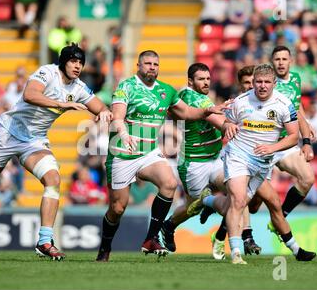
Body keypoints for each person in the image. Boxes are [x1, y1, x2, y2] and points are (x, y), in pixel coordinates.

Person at [0, 43, 113, 261]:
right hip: (7, 134)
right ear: (63, 61)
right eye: (73, 61)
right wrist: (61, 104)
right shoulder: (47, 72)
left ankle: (44, 241)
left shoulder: (78, 88)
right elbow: (30, 94)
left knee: (53, 179)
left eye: (81, 62)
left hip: (34, 141)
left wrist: (105, 113)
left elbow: (99, 106)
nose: (78, 66)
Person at [95, 50, 231, 262]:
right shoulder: (126, 87)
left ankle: (151, 238)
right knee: (117, 208)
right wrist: (123, 134)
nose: (152, 67)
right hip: (123, 152)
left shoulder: (166, 91)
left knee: (168, 183)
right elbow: (118, 117)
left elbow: (186, 113)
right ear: (138, 66)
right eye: (147, 63)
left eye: (155, 64)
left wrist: (209, 110)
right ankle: (105, 247)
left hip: (149, 153)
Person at [222, 64, 316, 264]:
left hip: (263, 162)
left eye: (266, 82)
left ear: (274, 83)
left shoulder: (284, 104)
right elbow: (226, 122)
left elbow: (292, 136)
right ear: (253, 82)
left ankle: (296, 250)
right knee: (238, 200)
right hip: (239, 156)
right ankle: (236, 252)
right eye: (258, 82)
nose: (262, 86)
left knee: (270, 203)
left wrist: (272, 149)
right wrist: (228, 125)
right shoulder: (240, 101)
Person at [159, 63, 241, 257]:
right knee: (192, 207)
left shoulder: (204, 98)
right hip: (193, 164)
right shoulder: (190, 97)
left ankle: (226, 239)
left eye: (207, 79)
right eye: (201, 79)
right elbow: (217, 120)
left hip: (214, 160)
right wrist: (228, 124)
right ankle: (168, 226)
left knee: (237, 193)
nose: (206, 83)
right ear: (190, 81)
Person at [195, 65, 263, 258]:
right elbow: (224, 126)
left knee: (250, 203)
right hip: (238, 158)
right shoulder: (236, 105)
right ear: (240, 85)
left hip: (260, 158)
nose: (251, 86)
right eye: (247, 83)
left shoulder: (267, 103)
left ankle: (212, 213)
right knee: (249, 199)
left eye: (254, 82)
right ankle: (247, 237)